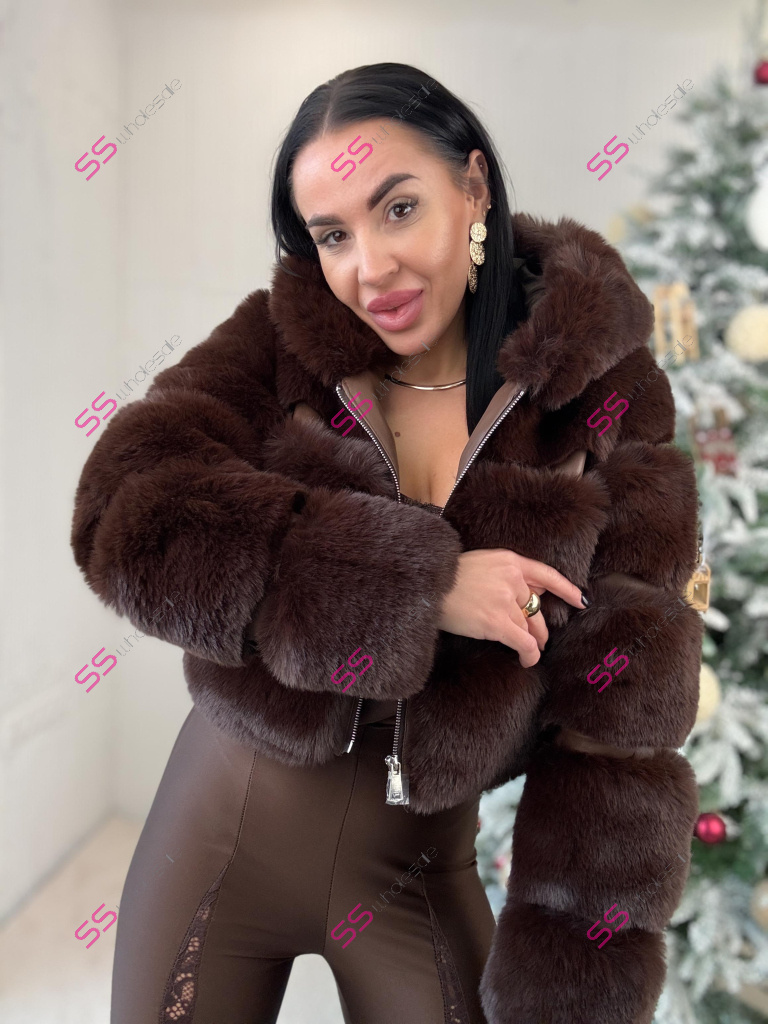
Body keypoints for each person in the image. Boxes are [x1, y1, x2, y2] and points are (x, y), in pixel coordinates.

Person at [71, 61, 704, 1024]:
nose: (369, 268)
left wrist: (575, 983)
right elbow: (124, 514)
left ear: (473, 187)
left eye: (398, 209)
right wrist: (417, 586)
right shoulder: (278, 345)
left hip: (416, 872)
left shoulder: (603, 396)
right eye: (333, 235)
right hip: (220, 829)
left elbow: (622, 725)